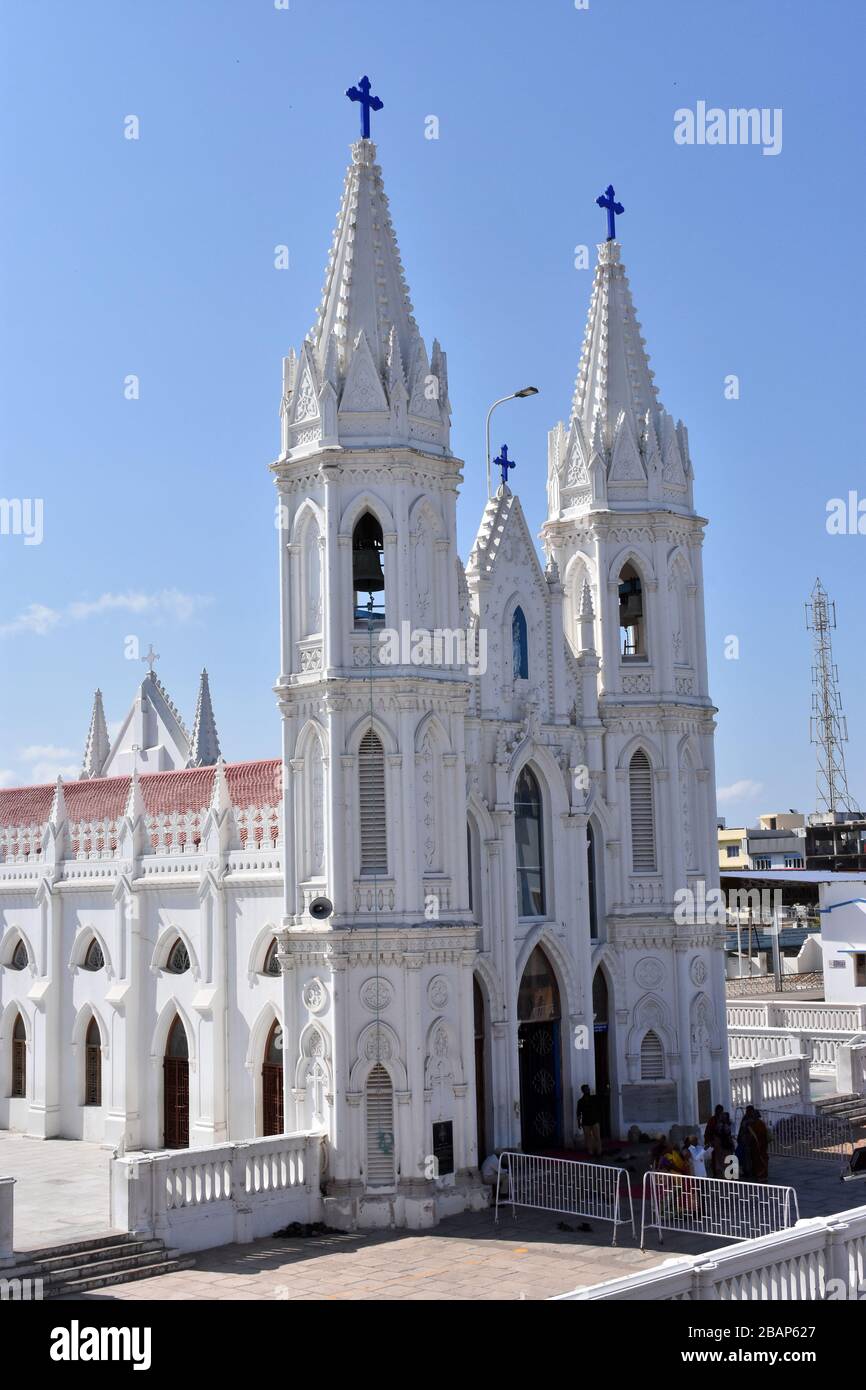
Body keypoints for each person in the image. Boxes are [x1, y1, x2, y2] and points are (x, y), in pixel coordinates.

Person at [576, 1084, 602, 1156]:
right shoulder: (580, 1101)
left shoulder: (594, 1098)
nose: (588, 1090)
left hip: (594, 1120)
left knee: (597, 1137)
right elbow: (578, 1113)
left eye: (588, 1089)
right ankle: (590, 1151)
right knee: (588, 1138)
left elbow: (599, 1107)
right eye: (586, 1089)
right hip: (586, 1122)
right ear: (583, 1091)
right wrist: (579, 1122)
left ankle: (599, 1151)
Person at [746, 1108, 770, 1182]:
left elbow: (760, 1135)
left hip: (760, 1145)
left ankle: (762, 1176)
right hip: (756, 1146)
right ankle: (760, 1175)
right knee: (758, 1160)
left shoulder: (759, 1124)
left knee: (761, 1160)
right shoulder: (755, 1124)